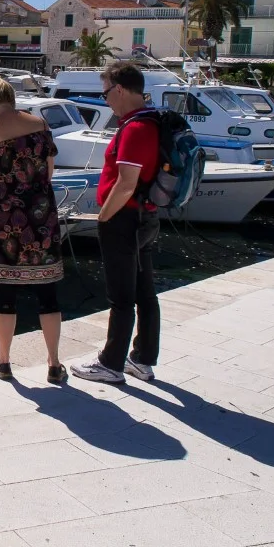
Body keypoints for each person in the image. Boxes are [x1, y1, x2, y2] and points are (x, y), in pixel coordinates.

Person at [0, 75, 66, 384]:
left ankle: (5, 362)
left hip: (4, 226)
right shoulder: (41, 126)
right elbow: (49, 173)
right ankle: (53, 364)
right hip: (42, 221)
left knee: (5, 297)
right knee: (48, 295)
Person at [72, 62, 161, 385]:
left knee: (122, 297)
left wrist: (104, 217)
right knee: (144, 293)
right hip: (144, 216)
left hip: (125, 218)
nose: (105, 99)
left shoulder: (135, 129)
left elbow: (125, 183)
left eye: (106, 92)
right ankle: (142, 359)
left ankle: (111, 363)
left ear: (120, 90)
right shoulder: (149, 121)